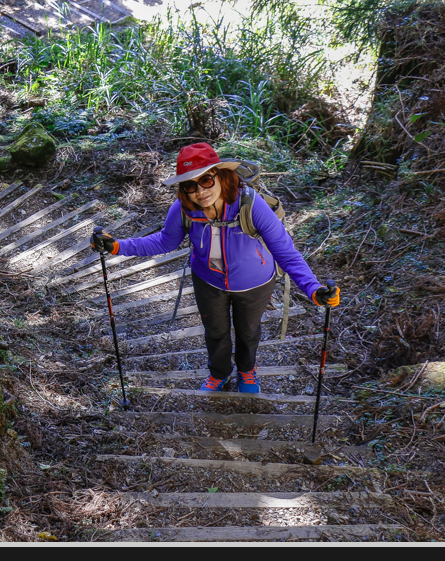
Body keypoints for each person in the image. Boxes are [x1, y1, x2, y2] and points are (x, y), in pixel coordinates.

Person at [91, 142, 339, 394]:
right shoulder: (183, 209)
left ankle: (246, 372)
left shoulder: (250, 205)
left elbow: (285, 251)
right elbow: (164, 241)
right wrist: (117, 246)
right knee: (216, 331)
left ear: (220, 176)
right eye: (190, 185)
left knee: (248, 330)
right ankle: (219, 374)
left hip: (255, 283)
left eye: (206, 180)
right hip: (208, 281)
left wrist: (313, 289)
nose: (200, 191)